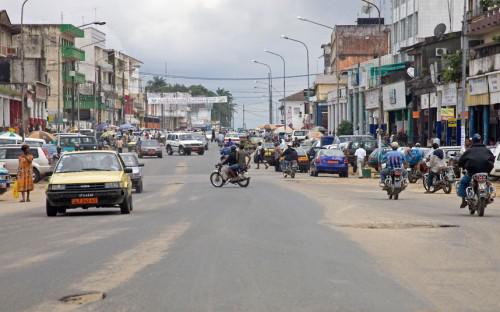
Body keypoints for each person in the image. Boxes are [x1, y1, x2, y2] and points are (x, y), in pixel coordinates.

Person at [457, 134, 495, 208]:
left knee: (463, 182)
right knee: (487, 182)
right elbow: (492, 159)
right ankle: (489, 195)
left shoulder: (469, 150)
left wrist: (461, 165)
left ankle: (464, 200)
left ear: (472, 141)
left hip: (472, 173)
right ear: (481, 141)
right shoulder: (487, 150)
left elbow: (461, 161)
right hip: (485, 172)